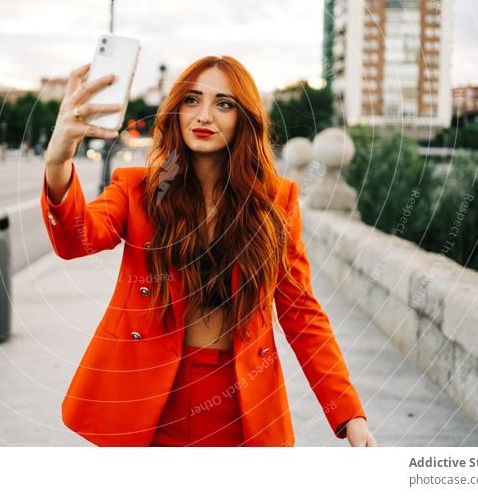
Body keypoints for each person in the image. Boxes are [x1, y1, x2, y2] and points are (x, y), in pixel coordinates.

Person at [41, 56, 376, 447]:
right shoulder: (137, 189)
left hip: (240, 405)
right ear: (176, 110)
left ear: (244, 118)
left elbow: (300, 311)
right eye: (192, 100)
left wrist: (349, 413)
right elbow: (75, 239)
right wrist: (58, 158)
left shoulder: (275, 201)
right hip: (149, 401)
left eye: (223, 104)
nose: (204, 116)